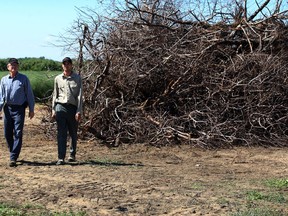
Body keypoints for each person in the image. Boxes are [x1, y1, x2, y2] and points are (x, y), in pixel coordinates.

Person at [0, 58, 35, 167]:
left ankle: (13, 157)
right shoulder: (4, 80)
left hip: (19, 109)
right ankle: (13, 151)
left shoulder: (23, 79)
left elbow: (29, 94)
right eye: (11, 65)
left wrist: (31, 109)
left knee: (18, 132)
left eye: (15, 65)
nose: (13, 66)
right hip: (8, 109)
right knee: (7, 133)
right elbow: (1, 97)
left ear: (18, 67)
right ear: (8, 67)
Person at [52, 57, 83, 165]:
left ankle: (72, 155)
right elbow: (55, 94)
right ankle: (61, 158)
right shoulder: (57, 78)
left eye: (68, 63)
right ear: (62, 65)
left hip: (72, 108)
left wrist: (79, 111)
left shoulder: (77, 78)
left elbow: (80, 96)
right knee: (61, 133)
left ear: (71, 65)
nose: (66, 65)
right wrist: (53, 109)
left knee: (73, 133)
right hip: (60, 107)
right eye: (64, 64)